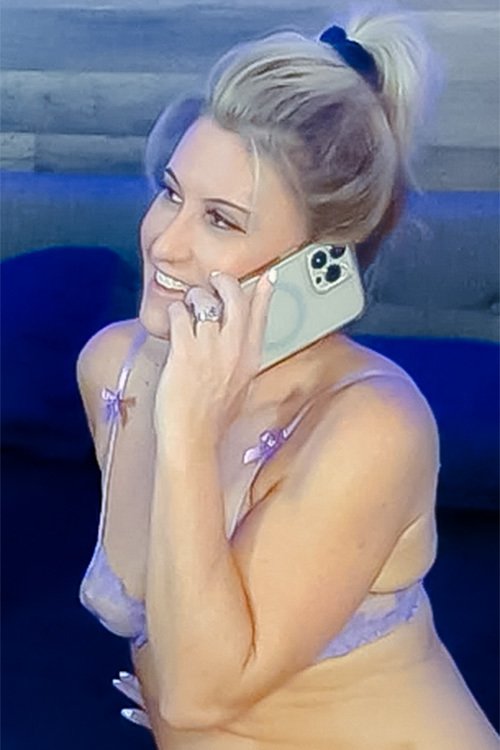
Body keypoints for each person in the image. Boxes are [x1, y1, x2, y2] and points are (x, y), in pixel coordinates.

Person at [77, 8, 499, 749]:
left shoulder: (371, 426)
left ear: (317, 262)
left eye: (221, 220)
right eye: (171, 193)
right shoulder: (114, 365)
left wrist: (188, 425)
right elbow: (181, 647)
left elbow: (195, 690)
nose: (165, 243)